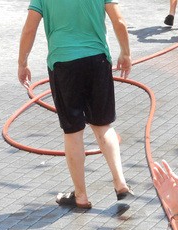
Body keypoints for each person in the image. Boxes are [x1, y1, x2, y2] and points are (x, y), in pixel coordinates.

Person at [17, 0, 133, 211]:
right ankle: (120, 182)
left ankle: (81, 195)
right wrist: (125, 52)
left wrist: (22, 63)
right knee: (103, 125)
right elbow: (119, 22)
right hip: (97, 60)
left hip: (64, 63)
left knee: (73, 131)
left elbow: (29, 30)